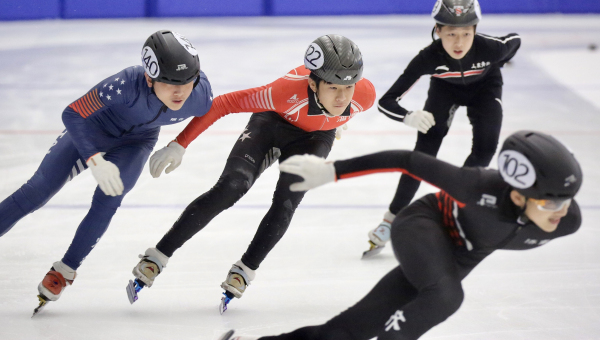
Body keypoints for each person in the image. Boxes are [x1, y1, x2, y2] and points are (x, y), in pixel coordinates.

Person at [220, 130, 582, 340]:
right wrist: (331, 171)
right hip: (423, 226)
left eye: (567, 201)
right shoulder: (478, 186)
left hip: (450, 259)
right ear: (518, 195)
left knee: (347, 331)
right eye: (551, 205)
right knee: (446, 295)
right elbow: (407, 160)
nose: (562, 212)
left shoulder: (567, 221)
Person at [128, 34, 376, 313]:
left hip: (315, 138)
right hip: (270, 123)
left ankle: (246, 268)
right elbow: (222, 104)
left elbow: (346, 102)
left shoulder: (364, 96)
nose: (343, 96)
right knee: (230, 187)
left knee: (287, 200)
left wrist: (335, 119)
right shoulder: (283, 92)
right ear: (312, 82)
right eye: (332, 87)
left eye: (349, 86)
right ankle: (158, 256)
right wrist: (179, 144)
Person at [0, 30, 213, 315]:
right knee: (37, 191)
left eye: (187, 82)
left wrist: (179, 144)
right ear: (149, 79)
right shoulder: (126, 85)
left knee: (109, 199)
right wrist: (94, 158)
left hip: (137, 143)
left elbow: (214, 108)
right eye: (170, 83)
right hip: (92, 132)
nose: (180, 93)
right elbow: (73, 113)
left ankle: (65, 271)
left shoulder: (198, 94)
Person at [368, 0, 521, 256]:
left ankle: (449, 208)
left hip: (486, 89)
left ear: (475, 29)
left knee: (485, 148)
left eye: (466, 33)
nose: (458, 42)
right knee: (423, 154)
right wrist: (408, 116)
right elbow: (386, 101)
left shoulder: (491, 48)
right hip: (445, 91)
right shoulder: (429, 57)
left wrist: (501, 61)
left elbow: (515, 40)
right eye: (451, 34)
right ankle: (389, 221)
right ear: (437, 31)